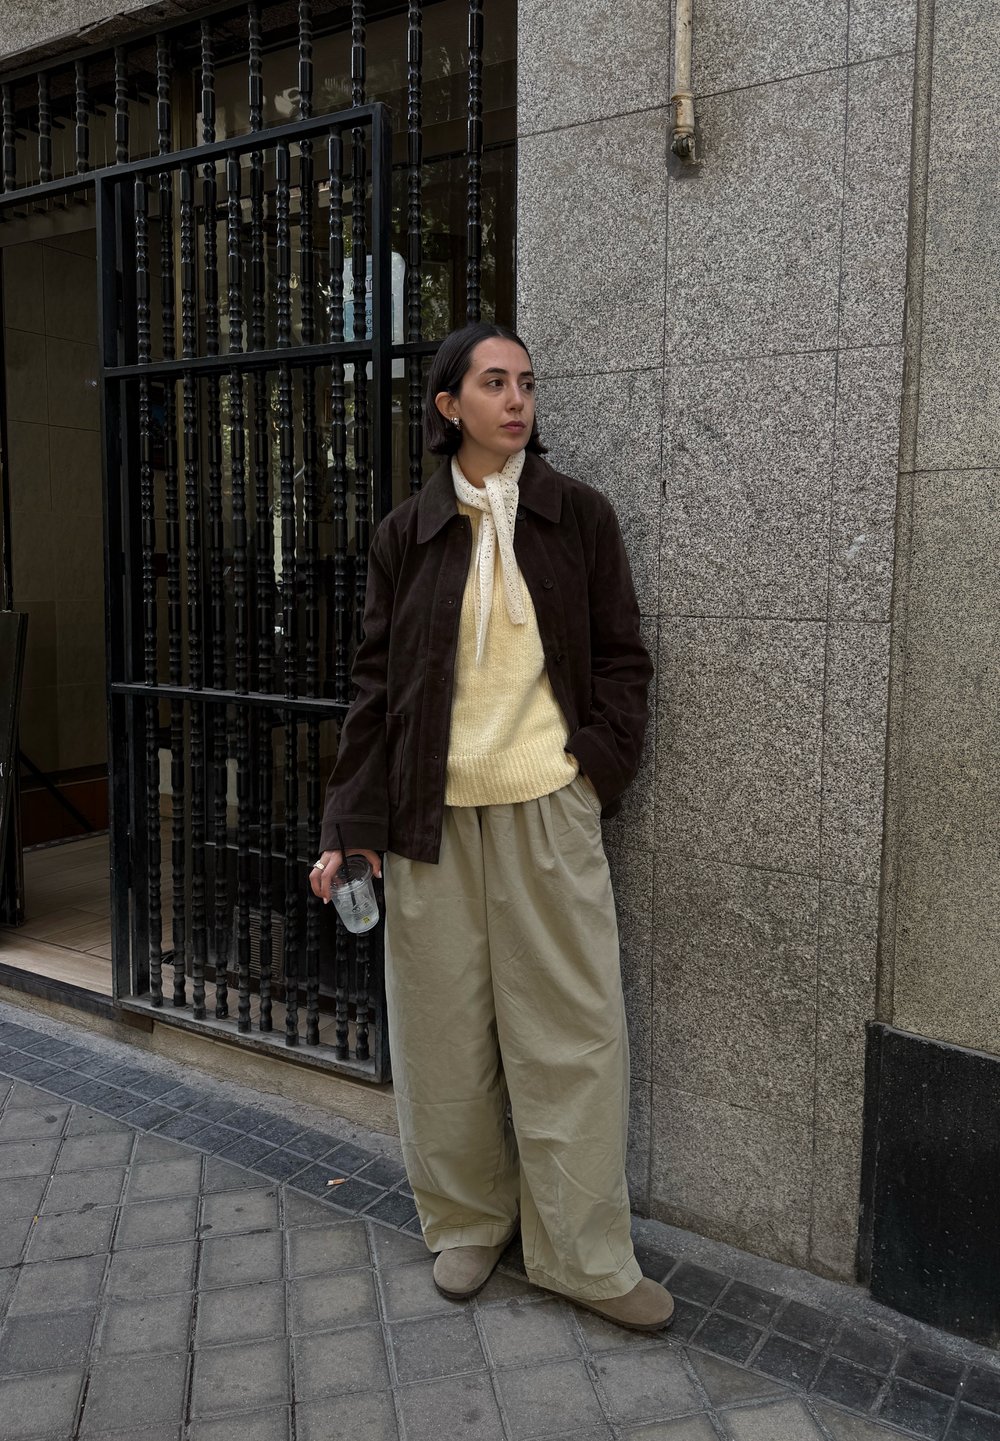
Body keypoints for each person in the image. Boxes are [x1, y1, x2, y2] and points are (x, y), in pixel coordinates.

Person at [309, 322, 673, 1331]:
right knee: (440, 1038)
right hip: (428, 823)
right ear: (448, 405)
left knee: (573, 1037)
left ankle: (583, 1254)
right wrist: (350, 823)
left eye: (526, 383)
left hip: (548, 813)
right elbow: (375, 692)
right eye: (494, 382)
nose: (516, 399)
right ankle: (467, 1218)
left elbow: (622, 660)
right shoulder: (405, 535)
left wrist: (590, 771)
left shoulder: (576, 518)